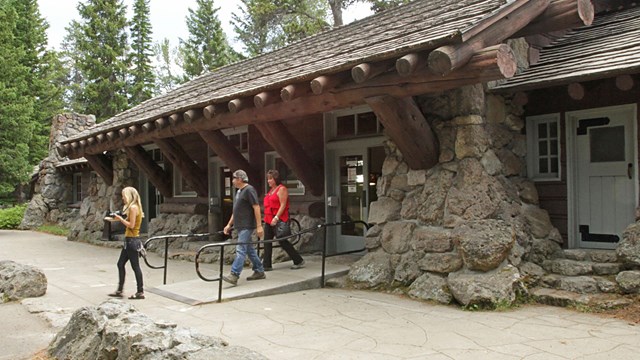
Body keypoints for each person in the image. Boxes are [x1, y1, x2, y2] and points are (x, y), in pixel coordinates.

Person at [222, 170, 266, 285]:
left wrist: (259, 225)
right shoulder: (239, 192)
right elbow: (235, 211)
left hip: (247, 225)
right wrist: (229, 224)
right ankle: (259, 270)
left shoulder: (249, 190)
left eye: (234, 178)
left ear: (240, 179)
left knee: (240, 249)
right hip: (240, 224)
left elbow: (256, 207)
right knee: (249, 249)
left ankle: (234, 274)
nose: (232, 181)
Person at [262, 169, 305, 270]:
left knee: (283, 241)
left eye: (270, 179)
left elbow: (283, 204)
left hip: (279, 218)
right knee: (267, 241)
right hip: (268, 219)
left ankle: (298, 260)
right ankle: (266, 265)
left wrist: (276, 218)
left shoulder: (281, 189)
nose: (268, 181)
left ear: (275, 179)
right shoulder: (270, 191)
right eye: (268, 179)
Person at [108, 186, 146, 300]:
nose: (123, 198)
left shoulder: (134, 207)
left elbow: (131, 225)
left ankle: (140, 292)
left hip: (132, 240)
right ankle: (119, 290)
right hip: (129, 240)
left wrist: (120, 219)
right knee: (120, 264)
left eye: (124, 196)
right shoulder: (131, 207)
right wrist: (119, 217)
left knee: (135, 266)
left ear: (129, 196)